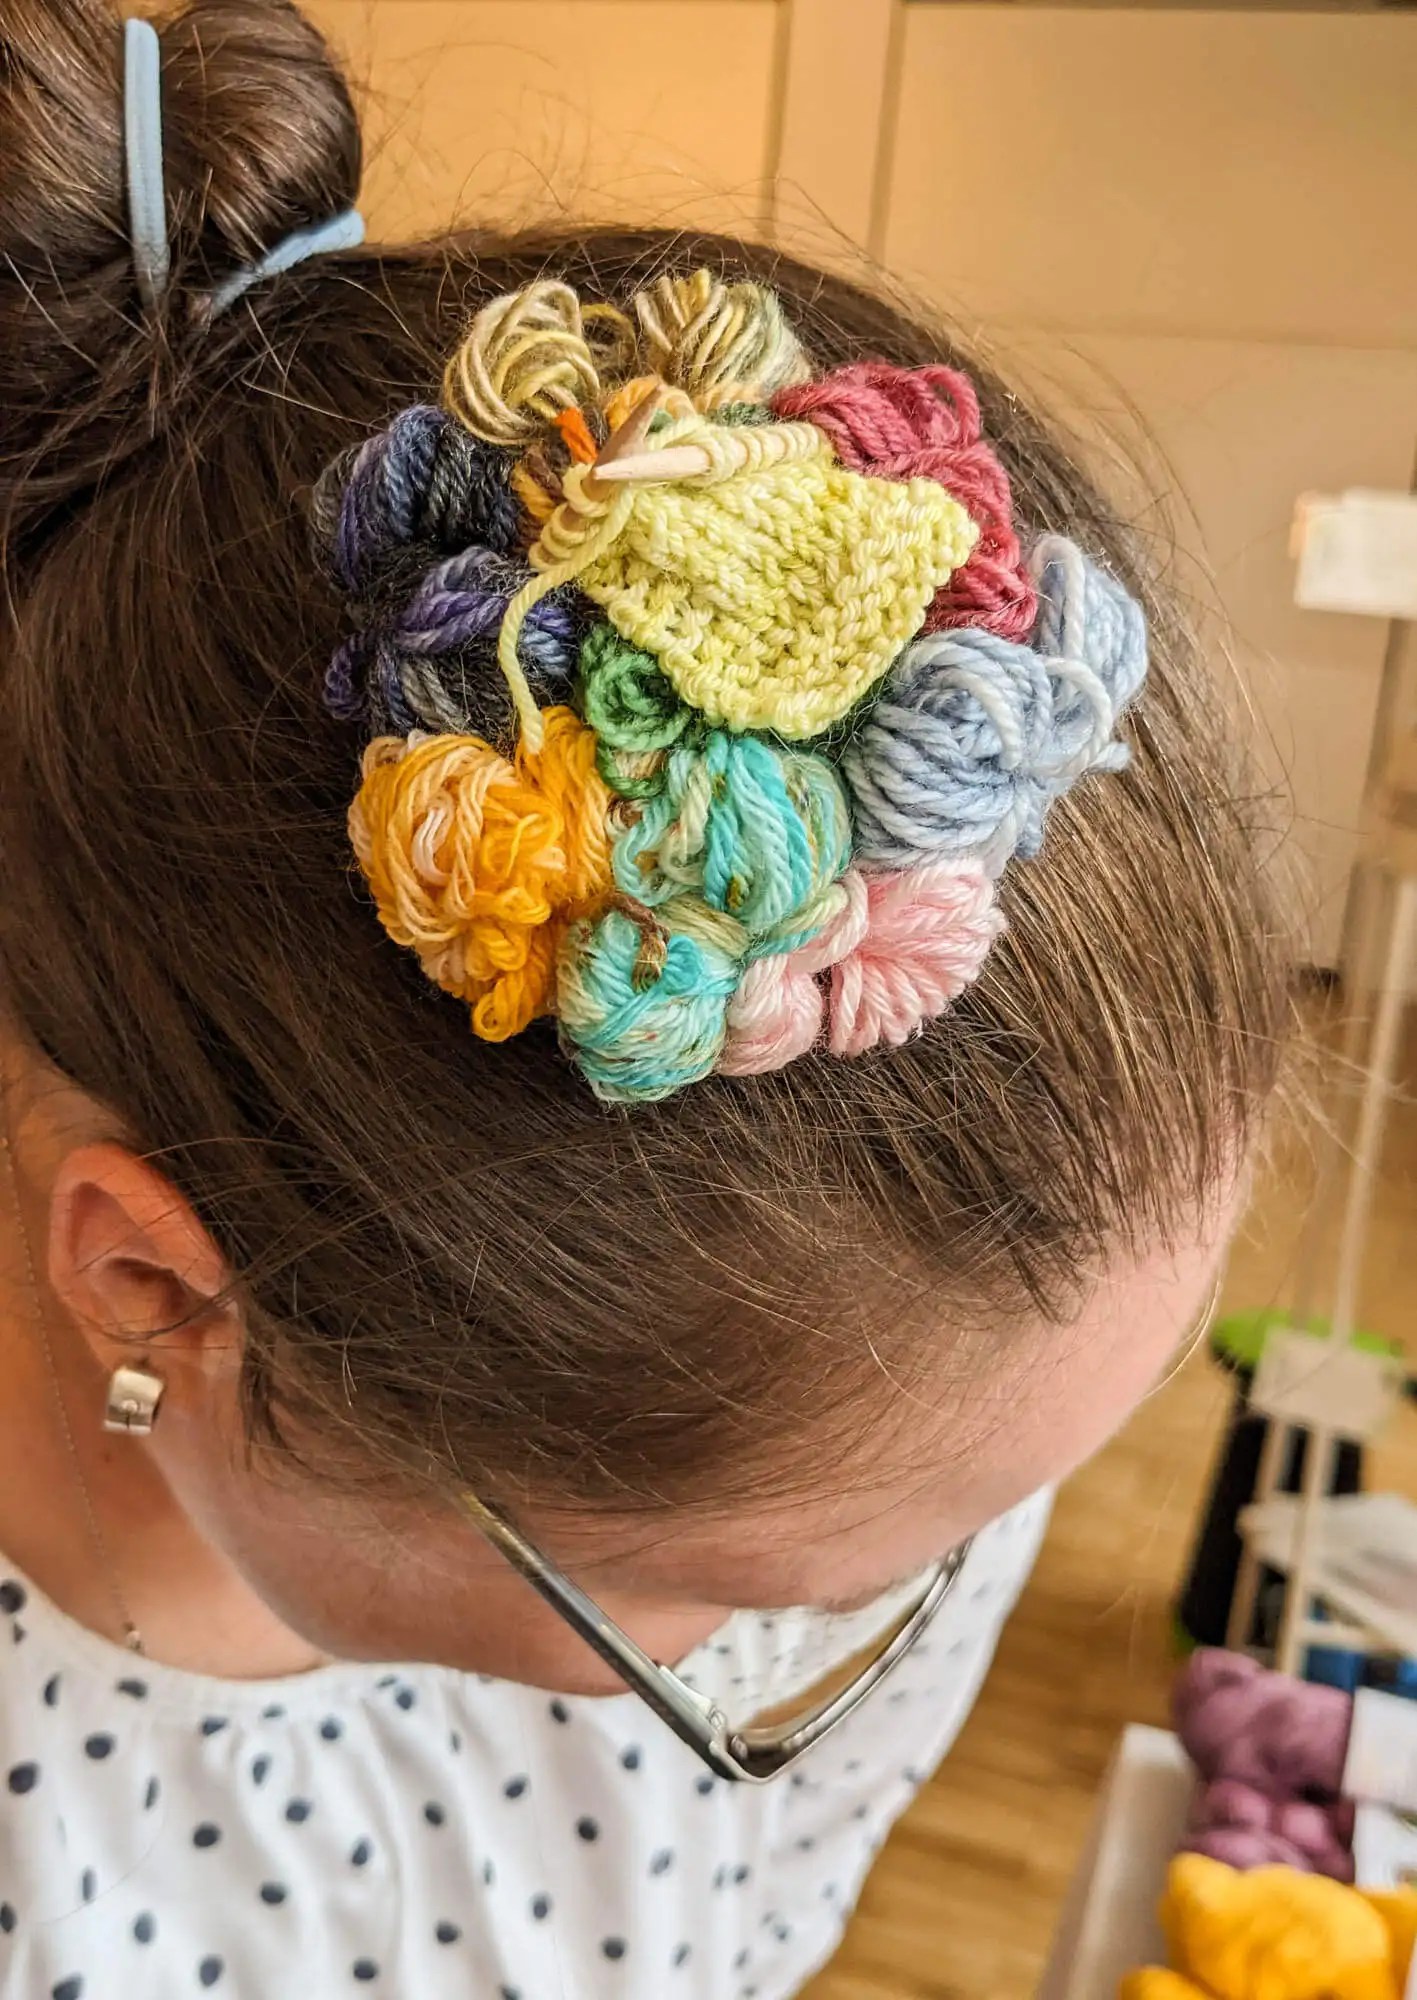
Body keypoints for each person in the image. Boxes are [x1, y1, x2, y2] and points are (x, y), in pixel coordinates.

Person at [0, 1, 1291, 1994]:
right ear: (155, 1290)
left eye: (989, 1523)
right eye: (740, 1602)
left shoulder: (909, 1478)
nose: (896, 1618)